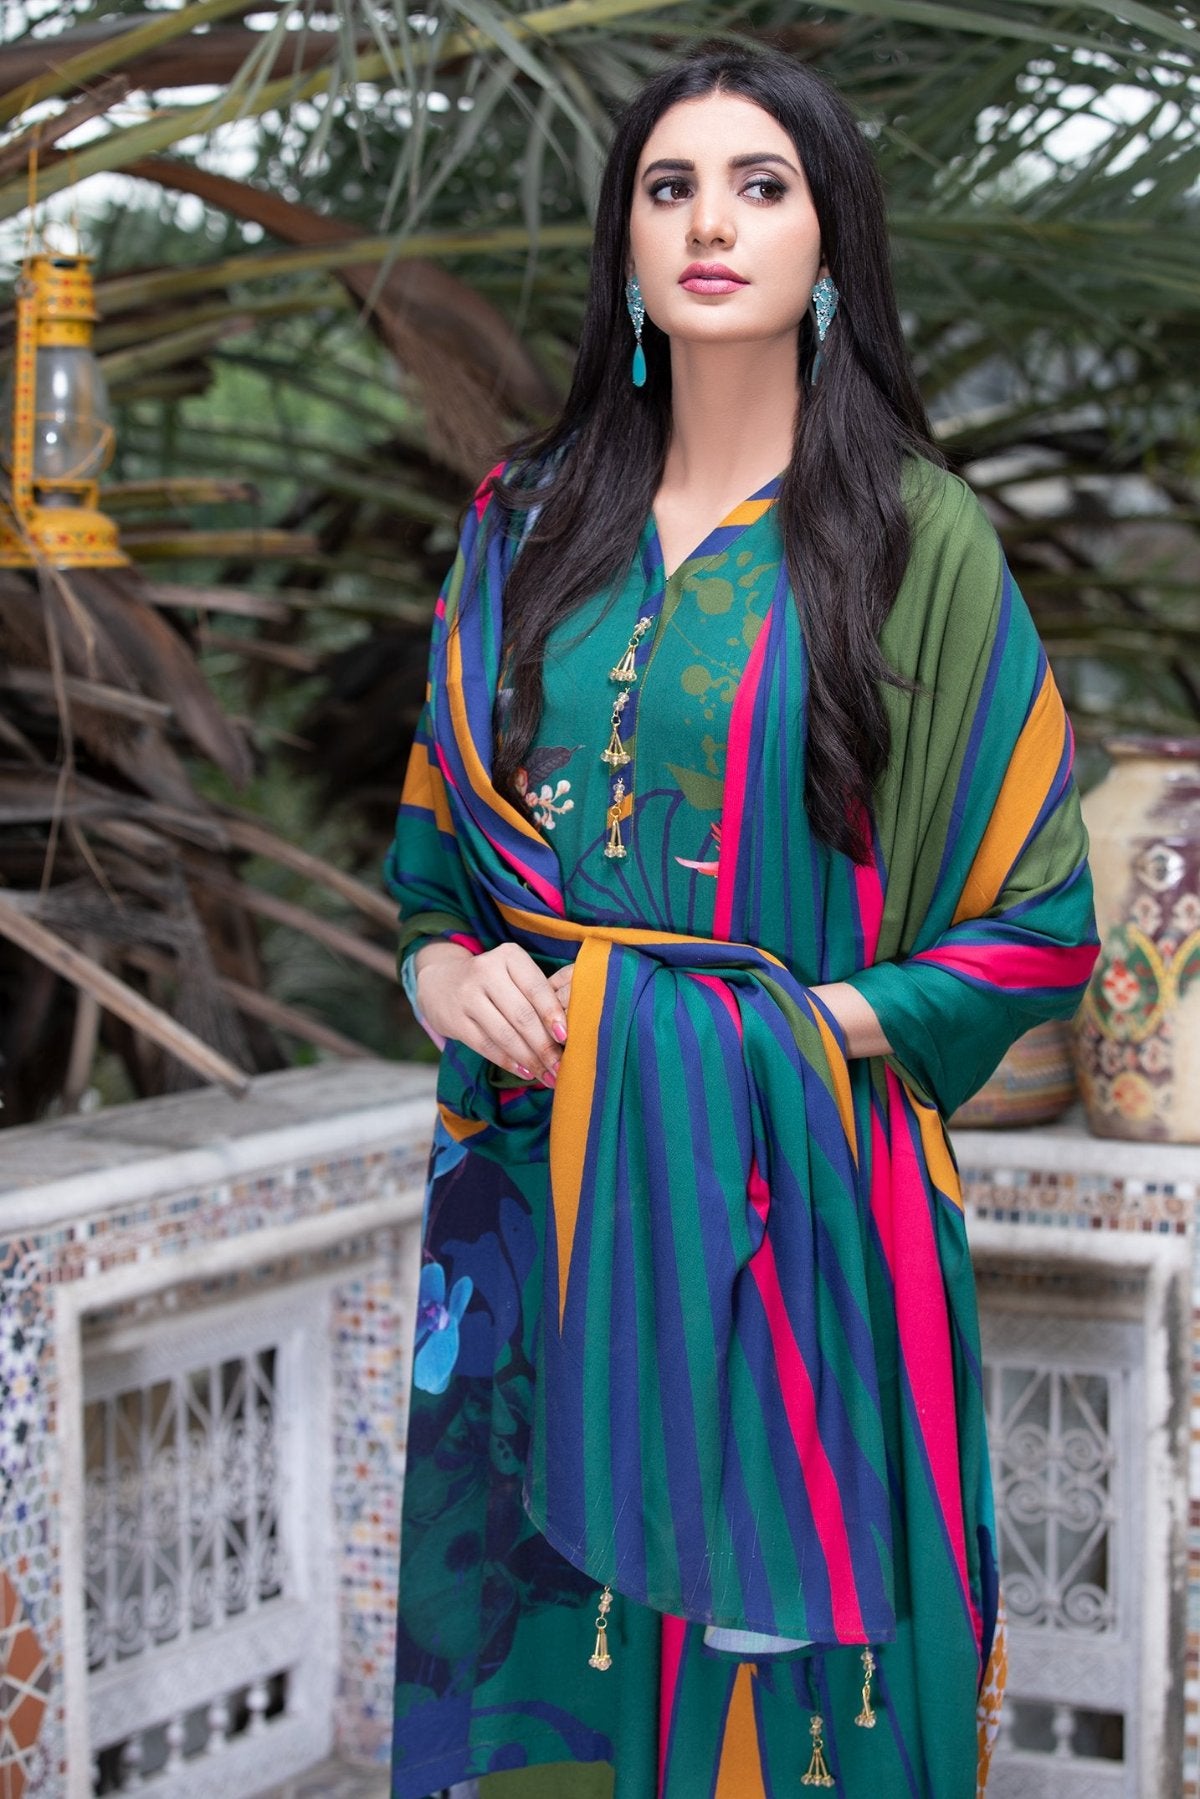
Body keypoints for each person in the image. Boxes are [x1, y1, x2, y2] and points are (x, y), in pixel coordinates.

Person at [385, 45, 1099, 1799]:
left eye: (760, 184)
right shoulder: (521, 526)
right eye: (671, 186)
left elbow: (1040, 921)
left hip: (807, 1192)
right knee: (541, 1674)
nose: (712, 221)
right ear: (626, 246)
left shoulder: (915, 541)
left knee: (808, 1730)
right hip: (533, 1199)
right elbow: (432, 881)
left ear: (828, 239)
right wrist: (452, 979)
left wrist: (782, 1032)